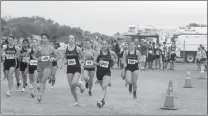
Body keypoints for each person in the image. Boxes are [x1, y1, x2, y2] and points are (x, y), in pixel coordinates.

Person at [33, 33, 60, 102]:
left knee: (43, 79)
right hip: (40, 65)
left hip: (48, 65)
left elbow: (58, 56)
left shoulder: (51, 47)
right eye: (42, 38)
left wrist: (53, 59)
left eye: (45, 38)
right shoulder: (38, 47)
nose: (43, 39)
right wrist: (37, 59)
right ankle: (41, 96)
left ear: (48, 39)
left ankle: (40, 95)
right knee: (42, 81)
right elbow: (33, 56)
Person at [61, 35, 85, 107]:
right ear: (68, 40)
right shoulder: (65, 49)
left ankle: (80, 85)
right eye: (70, 38)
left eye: (72, 38)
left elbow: (82, 57)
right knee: (71, 86)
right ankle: (76, 101)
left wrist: (82, 62)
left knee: (74, 83)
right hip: (69, 68)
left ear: (74, 40)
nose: (71, 40)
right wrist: (62, 63)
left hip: (77, 67)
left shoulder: (78, 49)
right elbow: (62, 57)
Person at [94, 40, 117, 108]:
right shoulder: (98, 53)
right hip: (99, 73)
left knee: (104, 86)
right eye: (103, 44)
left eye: (105, 44)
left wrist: (114, 62)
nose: (104, 45)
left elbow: (116, 59)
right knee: (103, 88)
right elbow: (93, 62)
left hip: (107, 72)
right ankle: (102, 100)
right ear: (101, 45)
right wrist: (98, 63)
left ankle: (100, 101)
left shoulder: (111, 53)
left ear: (107, 45)